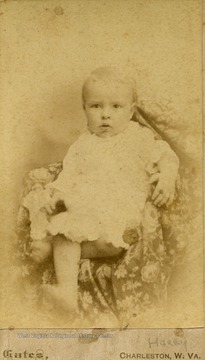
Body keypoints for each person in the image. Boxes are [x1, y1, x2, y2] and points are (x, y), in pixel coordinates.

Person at [23, 67, 179, 313]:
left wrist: (168, 177)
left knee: (72, 237)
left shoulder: (139, 138)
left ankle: (52, 247)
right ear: (84, 108)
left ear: (131, 110)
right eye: (96, 107)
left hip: (119, 218)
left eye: (116, 107)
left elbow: (167, 156)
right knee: (63, 225)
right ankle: (66, 291)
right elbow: (68, 176)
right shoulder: (83, 143)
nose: (106, 115)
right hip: (85, 212)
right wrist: (58, 196)